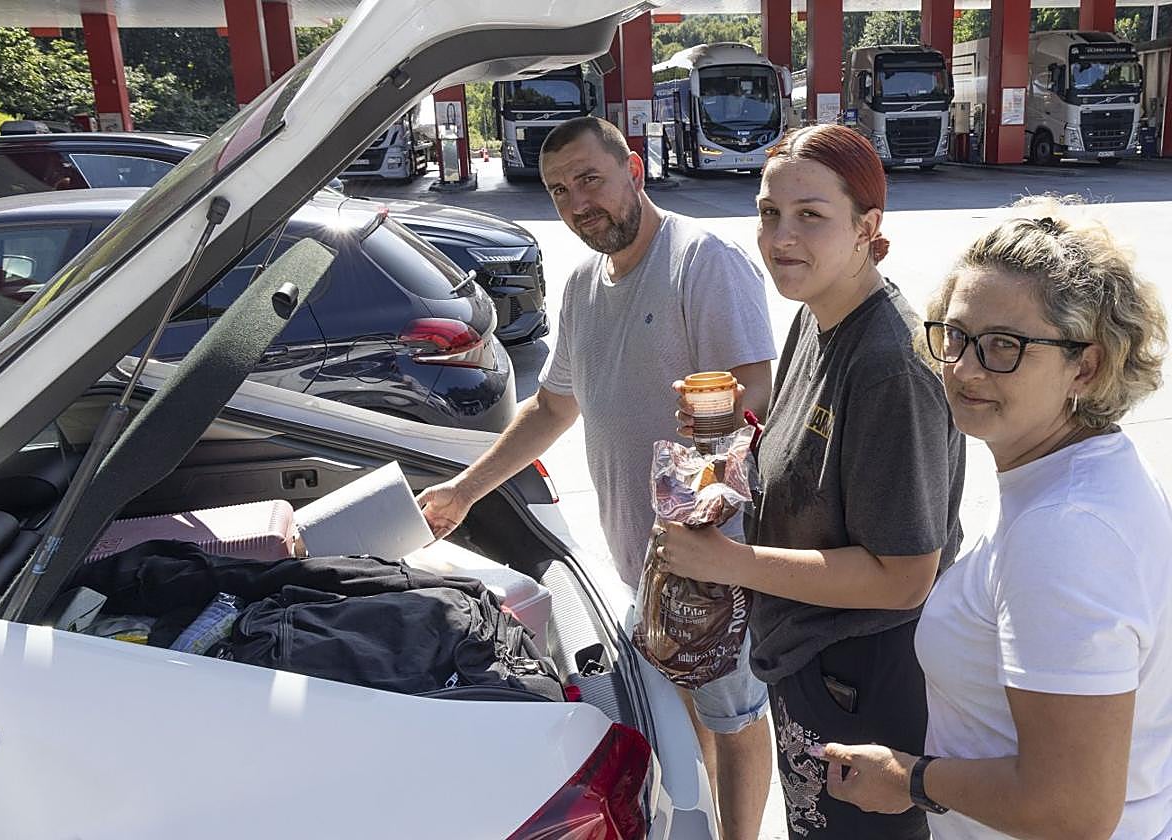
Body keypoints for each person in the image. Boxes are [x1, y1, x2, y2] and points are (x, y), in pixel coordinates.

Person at [417, 116, 778, 840]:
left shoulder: (700, 261)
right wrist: (465, 491)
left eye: (590, 179)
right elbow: (552, 408)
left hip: (718, 560)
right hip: (643, 563)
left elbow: (755, 394)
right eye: (558, 190)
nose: (578, 203)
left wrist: (698, 501)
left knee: (733, 717)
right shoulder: (583, 286)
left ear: (633, 171)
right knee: (679, 716)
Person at [819, 200, 1172, 839]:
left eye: (1005, 346)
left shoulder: (1065, 531)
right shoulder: (1086, 473)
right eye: (955, 336)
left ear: (1085, 367)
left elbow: (1072, 808)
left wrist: (908, 779)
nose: (965, 368)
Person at [655, 123, 965, 839]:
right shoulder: (816, 318)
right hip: (809, 662)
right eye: (769, 213)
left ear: (868, 227)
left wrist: (729, 562)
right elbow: (802, 459)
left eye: (811, 216)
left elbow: (904, 576)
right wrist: (726, 435)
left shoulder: (888, 364)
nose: (781, 236)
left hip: (867, 679)